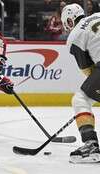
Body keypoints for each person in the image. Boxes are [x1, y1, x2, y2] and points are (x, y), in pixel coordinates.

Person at [61, 3, 100, 163]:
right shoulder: (98, 15)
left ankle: (91, 144)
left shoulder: (76, 35)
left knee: (81, 99)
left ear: (69, 21)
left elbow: (87, 69)